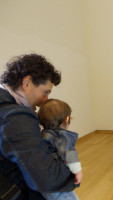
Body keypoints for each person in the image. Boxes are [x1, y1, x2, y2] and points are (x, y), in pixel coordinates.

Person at [0, 54, 77, 199]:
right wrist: (73, 168)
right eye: (45, 92)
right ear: (27, 82)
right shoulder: (16, 117)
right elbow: (47, 177)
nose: (44, 101)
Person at [38, 99, 82, 200]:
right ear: (67, 120)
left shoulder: (41, 134)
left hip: (43, 182)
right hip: (58, 185)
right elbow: (69, 153)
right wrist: (78, 171)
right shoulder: (62, 136)